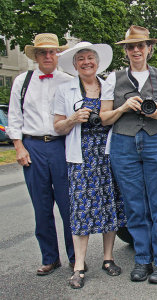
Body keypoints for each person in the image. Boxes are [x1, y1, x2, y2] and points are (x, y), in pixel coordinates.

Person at [99, 25, 157, 284]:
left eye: (140, 45)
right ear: (126, 51)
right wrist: (123, 107)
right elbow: (104, 119)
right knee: (134, 204)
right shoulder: (113, 78)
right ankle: (143, 259)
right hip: (124, 141)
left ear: (149, 48)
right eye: (130, 46)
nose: (135, 50)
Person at [53, 42, 127, 289]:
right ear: (75, 65)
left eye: (90, 58)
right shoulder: (65, 89)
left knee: (109, 205)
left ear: (97, 62)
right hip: (80, 156)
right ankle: (79, 267)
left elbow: (114, 116)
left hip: (106, 154)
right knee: (81, 209)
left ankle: (108, 258)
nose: (86, 62)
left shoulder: (108, 86)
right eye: (81, 59)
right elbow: (58, 127)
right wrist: (74, 118)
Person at [7, 33, 75, 276]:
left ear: (58, 54)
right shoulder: (22, 81)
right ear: (35, 56)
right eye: (43, 52)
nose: (48, 56)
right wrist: (19, 146)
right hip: (33, 146)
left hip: (62, 145)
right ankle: (50, 257)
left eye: (52, 52)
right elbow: (15, 116)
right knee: (41, 206)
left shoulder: (69, 80)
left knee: (69, 205)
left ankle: (75, 257)